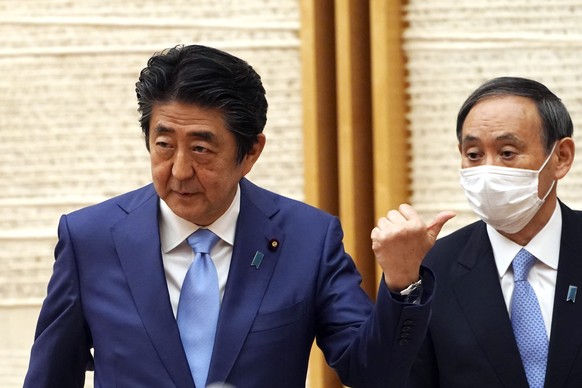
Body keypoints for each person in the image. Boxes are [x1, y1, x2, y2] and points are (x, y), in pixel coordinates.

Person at [23, 44, 452, 388]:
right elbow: (50, 376)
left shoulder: (308, 238)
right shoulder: (89, 239)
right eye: (164, 144)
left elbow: (373, 374)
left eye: (202, 148)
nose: (179, 170)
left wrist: (402, 283)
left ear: (250, 153)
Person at [399, 76, 580, 387]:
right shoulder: (430, 271)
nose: (488, 170)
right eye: (473, 155)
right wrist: (399, 283)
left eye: (507, 153)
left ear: (561, 157)